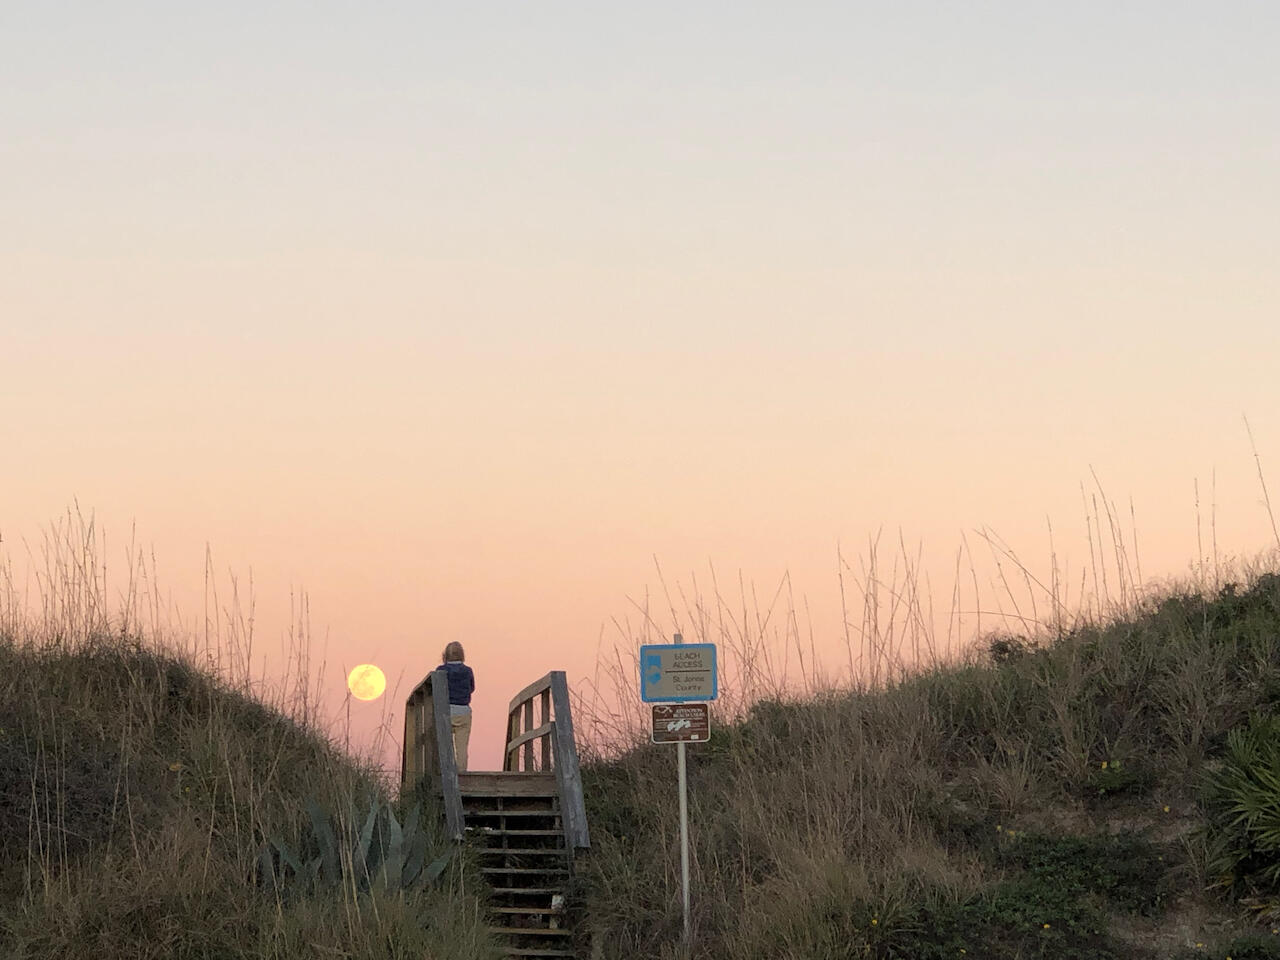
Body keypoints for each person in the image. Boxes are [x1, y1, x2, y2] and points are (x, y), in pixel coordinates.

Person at [437, 641, 475, 771]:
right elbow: (472, 688)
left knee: (447, 744)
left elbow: (436, 691)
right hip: (463, 710)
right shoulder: (468, 671)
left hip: (446, 711)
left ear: (445, 655)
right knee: (462, 747)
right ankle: (462, 774)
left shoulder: (441, 670)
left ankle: (447, 772)